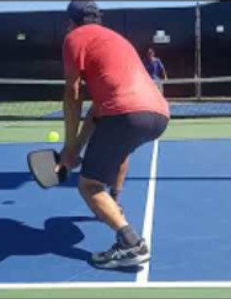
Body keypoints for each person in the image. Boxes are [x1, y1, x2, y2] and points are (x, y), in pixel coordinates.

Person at [57, 0, 169, 269]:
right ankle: (114, 204)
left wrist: (69, 147)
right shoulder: (115, 40)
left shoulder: (74, 38)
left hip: (124, 114)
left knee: (89, 186)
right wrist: (75, 149)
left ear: (71, 22)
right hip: (158, 114)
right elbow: (96, 111)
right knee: (120, 150)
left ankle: (131, 243)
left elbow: (73, 95)